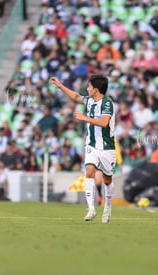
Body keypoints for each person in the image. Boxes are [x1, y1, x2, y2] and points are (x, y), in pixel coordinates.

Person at [49, 74, 116, 223]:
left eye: (89, 86)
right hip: (91, 145)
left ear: (96, 89)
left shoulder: (107, 103)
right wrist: (60, 86)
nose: (87, 88)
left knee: (107, 180)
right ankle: (91, 209)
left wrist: (84, 118)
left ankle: (107, 207)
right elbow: (77, 97)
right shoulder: (90, 101)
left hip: (106, 147)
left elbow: (104, 123)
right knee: (89, 171)